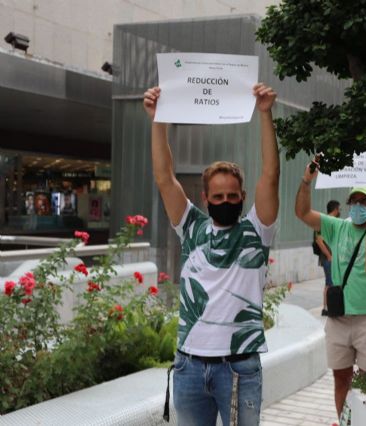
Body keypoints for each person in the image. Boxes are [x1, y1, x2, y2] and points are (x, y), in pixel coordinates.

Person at [143, 83, 279, 425]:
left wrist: (265, 114)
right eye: (217, 197)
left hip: (238, 366)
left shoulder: (257, 230)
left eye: (232, 196)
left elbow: (271, 176)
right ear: (205, 198)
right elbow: (164, 177)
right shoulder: (192, 227)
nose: (225, 202)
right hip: (188, 365)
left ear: (243, 196)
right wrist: (158, 119)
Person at [295, 168, 366, 422]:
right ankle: (344, 421)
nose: (358, 206)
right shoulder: (337, 228)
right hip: (339, 319)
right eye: (354, 201)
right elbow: (302, 213)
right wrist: (306, 181)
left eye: (364, 202)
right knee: (341, 379)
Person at [315, 200, 340, 315]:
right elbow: (319, 240)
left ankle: (327, 307)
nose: (339, 211)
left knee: (329, 282)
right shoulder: (325, 222)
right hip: (327, 258)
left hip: (329, 258)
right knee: (330, 283)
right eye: (339, 209)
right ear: (335, 209)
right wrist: (329, 256)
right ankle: (327, 308)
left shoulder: (331, 222)